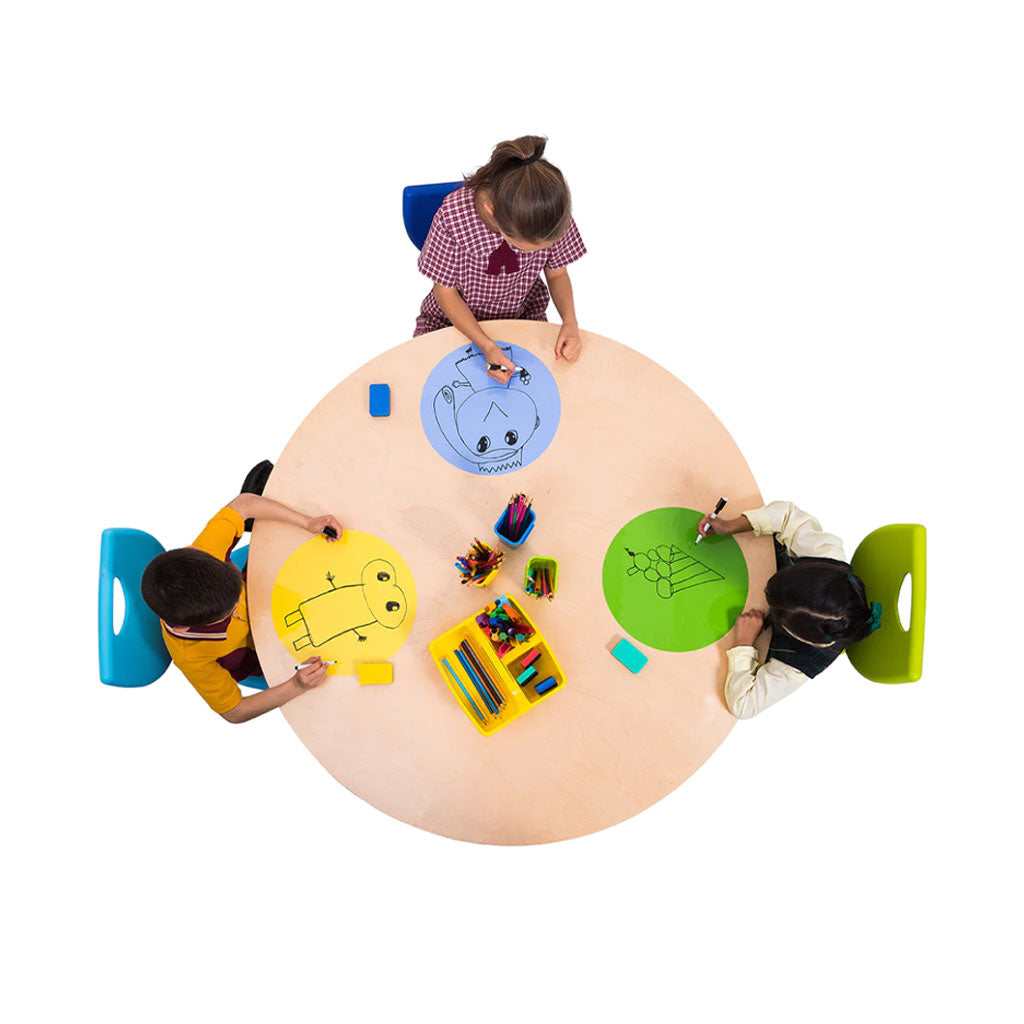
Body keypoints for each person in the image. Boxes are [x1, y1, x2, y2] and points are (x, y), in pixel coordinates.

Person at [141, 493, 343, 723]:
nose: (240, 603)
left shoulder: (204, 553)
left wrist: (307, 522)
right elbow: (234, 712)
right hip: (270, 653)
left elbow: (244, 504)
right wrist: (295, 686)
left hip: (278, 594)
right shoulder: (191, 655)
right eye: (229, 611)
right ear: (184, 628)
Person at [415, 135, 586, 383]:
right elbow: (445, 292)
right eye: (527, 248)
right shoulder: (452, 217)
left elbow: (557, 272)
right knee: (427, 379)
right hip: (450, 319)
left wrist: (569, 321)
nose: (538, 252)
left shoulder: (549, 214)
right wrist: (486, 345)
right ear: (493, 212)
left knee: (549, 381)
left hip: (522, 314)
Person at [696, 501, 881, 718]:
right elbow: (787, 516)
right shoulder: (826, 554)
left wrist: (744, 644)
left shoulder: (799, 663)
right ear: (809, 570)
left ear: (798, 634)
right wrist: (732, 526)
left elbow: (743, 705)